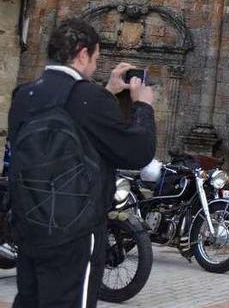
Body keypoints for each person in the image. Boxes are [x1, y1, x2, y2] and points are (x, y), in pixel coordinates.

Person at [6, 18, 157, 308]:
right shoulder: (88, 99)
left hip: (29, 223)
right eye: (96, 58)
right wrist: (143, 105)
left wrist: (107, 92)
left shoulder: (24, 95)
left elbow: (72, 117)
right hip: (74, 231)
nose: (94, 66)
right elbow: (139, 151)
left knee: (30, 300)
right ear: (82, 53)